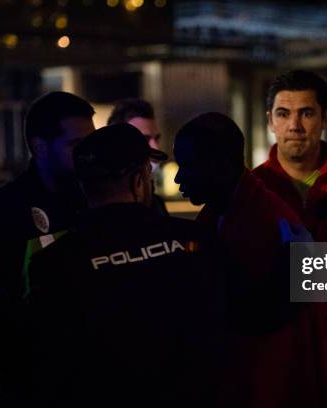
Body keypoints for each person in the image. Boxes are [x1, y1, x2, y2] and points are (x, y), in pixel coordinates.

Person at [28, 123, 225, 406]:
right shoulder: (194, 239)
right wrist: (302, 250)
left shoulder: (54, 264)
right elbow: (256, 310)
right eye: (148, 173)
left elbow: (48, 363)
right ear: (137, 181)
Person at [174, 112, 327, 408]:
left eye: (188, 165)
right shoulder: (221, 213)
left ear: (220, 164)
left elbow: (273, 317)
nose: (178, 178)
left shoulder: (272, 222)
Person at [0, 91, 95, 404]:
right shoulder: (2, 211)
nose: (88, 156)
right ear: (40, 147)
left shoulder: (94, 201)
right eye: (76, 145)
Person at [253, 70, 327, 242]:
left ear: (325, 119)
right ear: (270, 121)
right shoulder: (253, 188)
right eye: (283, 114)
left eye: (306, 114)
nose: (294, 126)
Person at [107, 97, 168, 216]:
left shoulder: (157, 204)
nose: (155, 147)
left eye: (156, 138)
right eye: (144, 139)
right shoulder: (103, 204)